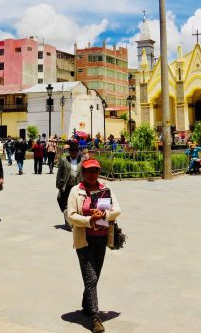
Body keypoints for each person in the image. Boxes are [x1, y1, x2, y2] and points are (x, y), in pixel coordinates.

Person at [67, 159, 121, 333]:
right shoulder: (77, 191)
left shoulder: (105, 189)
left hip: (101, 238)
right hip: (84, 240)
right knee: (90, 278)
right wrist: (89, 220)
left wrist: (104, 213)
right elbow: (71, 216)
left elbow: (117, 210)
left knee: (94, 276)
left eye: (95, 171)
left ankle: (86, 303)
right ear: (83, 172)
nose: (92, 174)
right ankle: (95, 318)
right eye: (89, 171)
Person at [56, 141, 83, 230]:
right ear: (69, 151)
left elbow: (84, 173)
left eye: (75, 151)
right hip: (67, 185)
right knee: (67, 204)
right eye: (71, 151)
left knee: (76, 204)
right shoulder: (64, 160)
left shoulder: (81, 160)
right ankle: (68, 224)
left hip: (77, 185)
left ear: (78, 152)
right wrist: (58, 184)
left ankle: (75, 221)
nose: (73, 153)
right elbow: (59, 173)